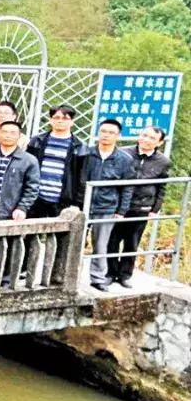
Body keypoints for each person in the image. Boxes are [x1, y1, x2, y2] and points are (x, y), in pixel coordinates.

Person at [108, 126, 170, 288]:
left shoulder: (163, 162)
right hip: (120, 205)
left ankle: (125, 275)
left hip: (142, 206)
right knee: (113, 239)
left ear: (159, 142)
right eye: (144, 135)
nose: (146, 140)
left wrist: (155, 209)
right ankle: (110, 272)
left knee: (132, 241)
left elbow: (162, 188)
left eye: (152, 138)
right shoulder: (123, 152)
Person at [76, 119, 134, 291]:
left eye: (111, 132)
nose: (106, 135)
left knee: (101, 244)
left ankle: (98, 278)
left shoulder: (124, 159)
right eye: (103, 131)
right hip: (82, 205)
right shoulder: (86, 153)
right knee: (74, 243)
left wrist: (121, 210)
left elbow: (127, 187)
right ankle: (68, 276)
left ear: (118, 136)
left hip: (106, 206)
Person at [0, 121, 40, 222]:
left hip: (10, 211)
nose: (8, 135)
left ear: (19, 136)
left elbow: (32, 188)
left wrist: (22, 208)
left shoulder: (29, 160)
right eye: (4, 132)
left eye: (13, 133)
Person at [25, 105, 83, 219]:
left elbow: (81, 179)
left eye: (65, 118)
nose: (60, 121)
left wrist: (77, 203)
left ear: (72, 122)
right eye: (56, 118)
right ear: (50, 120)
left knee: (60, 236)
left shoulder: (79, 147)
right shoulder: (36, 141)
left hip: (63, 200)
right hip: (36, 198)